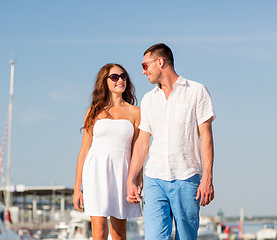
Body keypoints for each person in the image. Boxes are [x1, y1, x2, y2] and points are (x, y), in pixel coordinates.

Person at [126, 43, 216, 239]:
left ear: (160, 61)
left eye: (145, 65)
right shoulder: (148, 99)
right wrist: (131, 178)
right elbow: (143, 141)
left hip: (187, 177)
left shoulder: (197, 91)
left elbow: (206, 137)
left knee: (186, 236)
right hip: (154, 179)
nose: (143, 72)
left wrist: (207, 178)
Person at [73, 63, 142, 240]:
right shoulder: (93, 111)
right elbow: (84, 150)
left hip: (122, 173)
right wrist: (77, 188)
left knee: (119, 234)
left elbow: (138, 150)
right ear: (104, 82)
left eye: (124, 76)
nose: (120, 80)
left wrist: (137, 180)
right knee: (99, 232)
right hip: (95, 171)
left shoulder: (136, 112)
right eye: (115, 77)